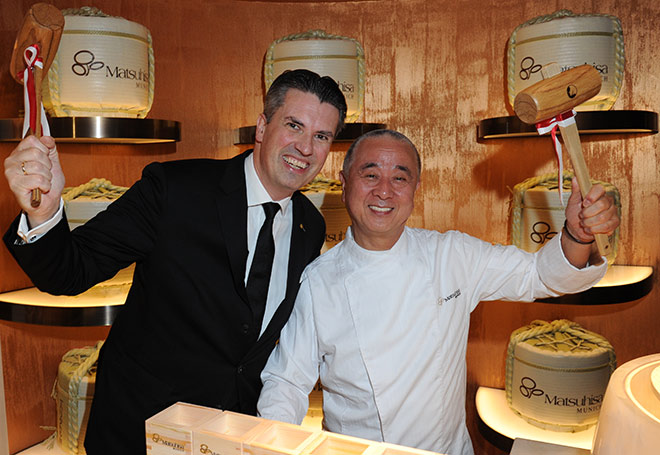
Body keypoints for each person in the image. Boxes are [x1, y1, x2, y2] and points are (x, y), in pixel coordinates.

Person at [3, 69, 346, 455]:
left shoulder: (310, 226)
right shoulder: (174, 189)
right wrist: (45, 212)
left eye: (321, 136)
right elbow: (68, 271)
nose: (305, 147)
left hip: (234, 437)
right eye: (294, 126)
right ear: (263, 127)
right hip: (141, 433)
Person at [257, 129, 620, 455]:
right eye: (370, 175)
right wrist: (270, 447)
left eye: (400, 178)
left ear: (415, 189)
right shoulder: (319, 280)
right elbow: (286, 382)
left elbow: (539, 276)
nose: (384, 190)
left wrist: (577, 235)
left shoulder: (451, 255)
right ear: (345, 182)